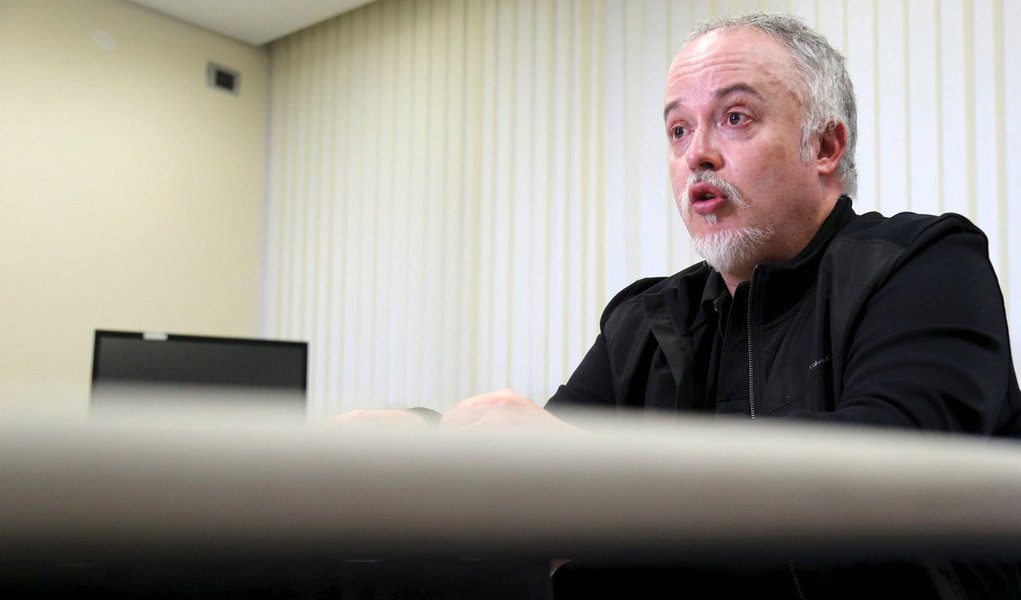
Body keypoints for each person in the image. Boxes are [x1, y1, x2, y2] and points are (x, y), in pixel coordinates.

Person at [338, 13, 1021, 598]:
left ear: (824, 145)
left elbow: (885, 483)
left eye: (733, 118)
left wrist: (599, 476)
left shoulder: (924, 262)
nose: (697, 155)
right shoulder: (646, 319)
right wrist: (427, 443)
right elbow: (542, 474)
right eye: (676, 131)